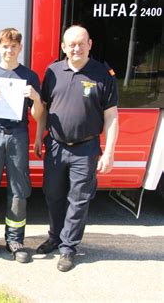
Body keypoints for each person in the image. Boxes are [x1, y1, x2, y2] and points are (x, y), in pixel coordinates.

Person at [35, 25, 119, 272]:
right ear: (63, 47)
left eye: (81, 43)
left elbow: (112, 116)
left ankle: (68, 248)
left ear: (90, 44)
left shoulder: (103, 74)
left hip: (86, 148)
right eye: (71, 44)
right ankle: (55, 236)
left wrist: (110, 151)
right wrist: (39, 137)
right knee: (53, 194)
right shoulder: (52, 71)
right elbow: (44, 108)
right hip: (55, 146)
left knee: (78, 200)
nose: (76, 48)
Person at [0, 28, 44, 263]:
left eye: (13, 46)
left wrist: (35, 98)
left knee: (18, 188)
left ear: (20, 48)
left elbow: (37, 114)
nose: (9, 50)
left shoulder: (29, 75)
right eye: (5, 46)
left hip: (18, 133)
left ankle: (15, 241)